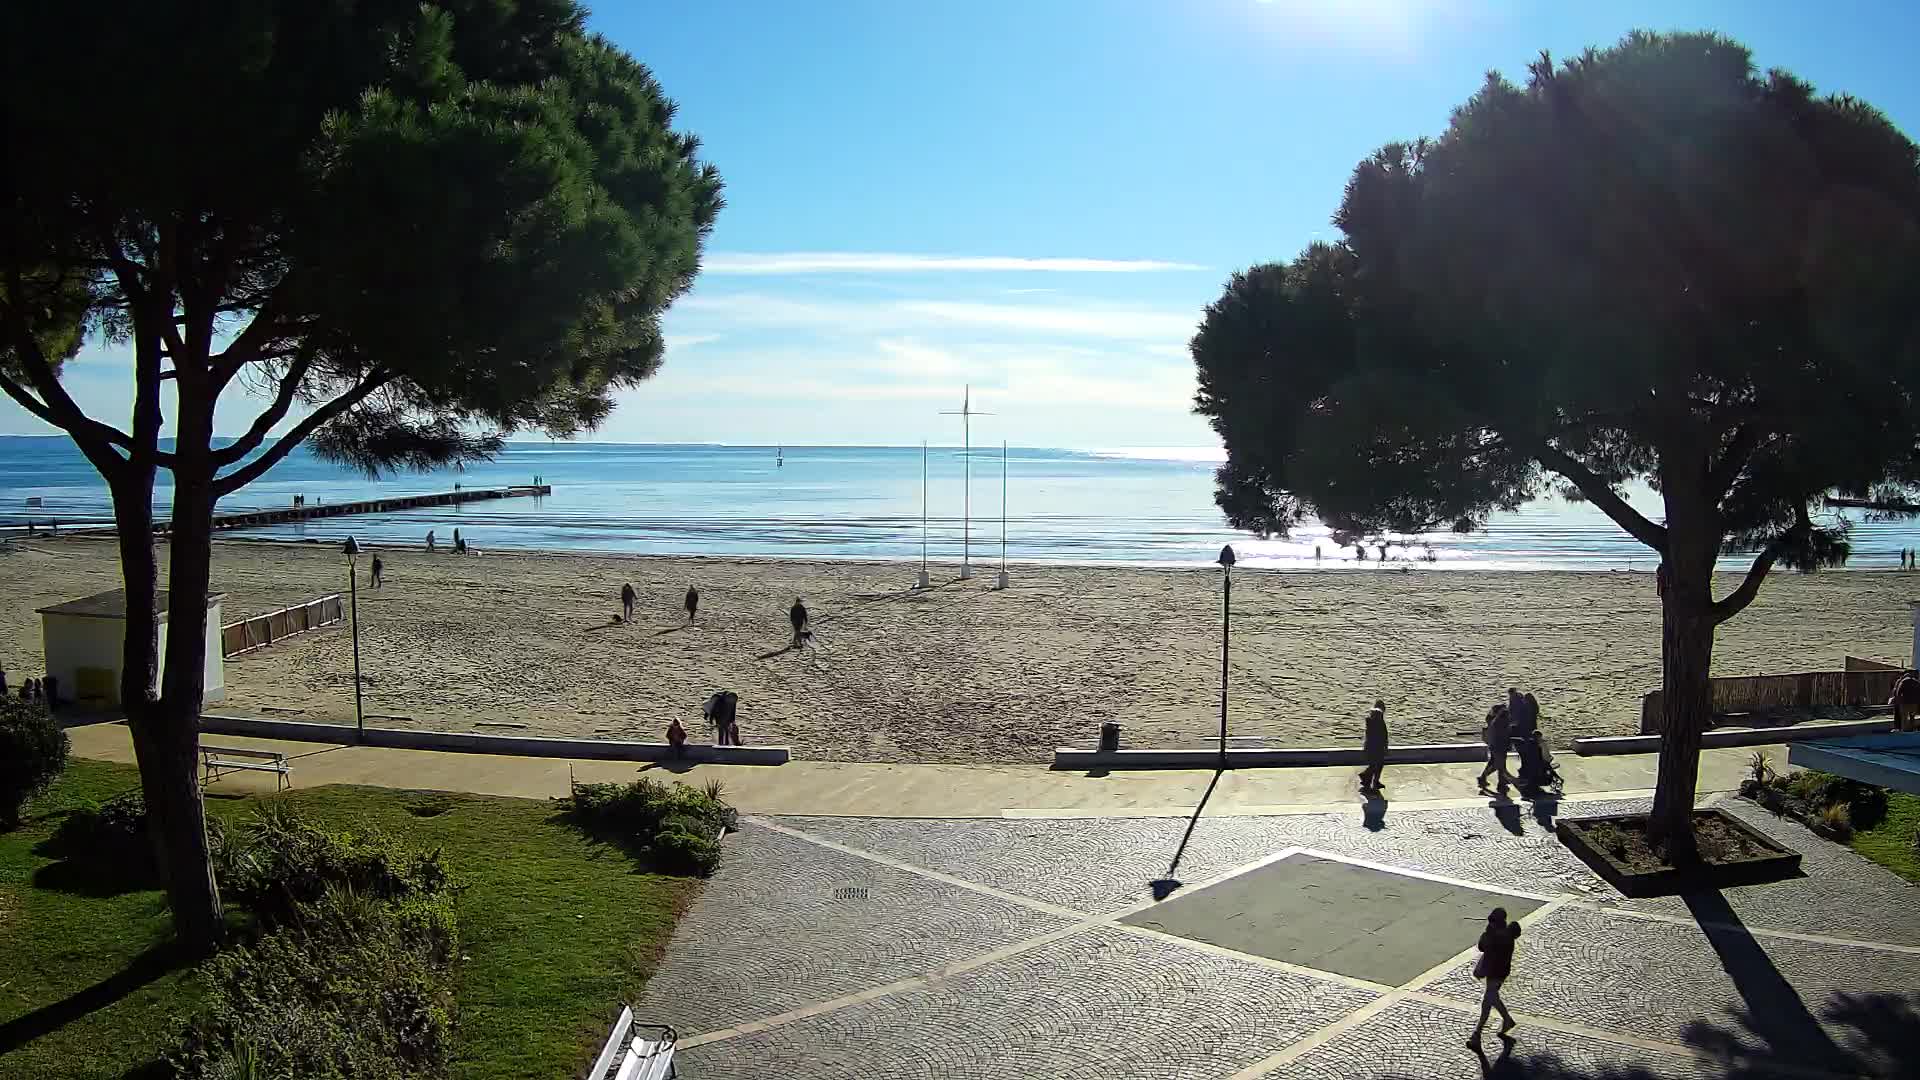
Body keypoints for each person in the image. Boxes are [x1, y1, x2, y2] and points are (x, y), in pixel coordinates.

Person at [1470, 907, 1522, 1044]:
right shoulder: (1502, 934)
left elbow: (1484, 947)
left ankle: (1477, 1034)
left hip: (1497, 973)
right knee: (1492, 998)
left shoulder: (1500, 936)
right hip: (1497, 972)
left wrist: (1488, 935)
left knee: (1488, 1001)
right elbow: (1484, 947)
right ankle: (1507, 1020)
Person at [1479, 703, 1512, 792]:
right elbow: (1504, 736)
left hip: (1495, 746)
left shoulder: (1494, 721)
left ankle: (1484, 778)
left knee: (1494, 763)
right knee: (1499, 766)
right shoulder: (1501, 724)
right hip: (1499, 747)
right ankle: (1501, 784)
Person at [1358, 699, 1389, 790]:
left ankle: (1371, 781)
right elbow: (1382, 736)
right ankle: (1368, 779)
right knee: (1377, 765)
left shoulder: (1372, 721)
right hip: (1376, 748)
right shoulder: (1378, 721)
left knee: (1376, 765)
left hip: (1373, 747)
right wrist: (1385, 747)